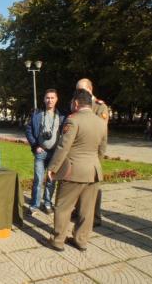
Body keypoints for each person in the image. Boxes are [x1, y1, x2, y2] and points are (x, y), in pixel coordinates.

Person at [46, 89, 107, 252]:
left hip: (72, 171)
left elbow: (63, 147)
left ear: (77, 103)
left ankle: (58, 240)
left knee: (63, 207)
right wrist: (94, 165)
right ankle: (81, 240)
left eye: (72, 102)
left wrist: (52, 168)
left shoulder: (72, 120)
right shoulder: (101, 122)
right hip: (93, 171)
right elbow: (102, 149)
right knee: (87, 209)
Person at [75, 78, 108, 226]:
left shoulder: (100, 107)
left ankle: (95, 217)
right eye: (77, 90)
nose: (78, 92)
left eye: (81, 89)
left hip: (93, 153)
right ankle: (78, 212)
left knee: (94, 188)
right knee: (77, 184)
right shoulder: (76, 103)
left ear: (90, 89)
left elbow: (102, 134)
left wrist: (99, 158)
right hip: (78, 153)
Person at [25, 89, 65, 215]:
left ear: (56, 99)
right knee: (38, 179)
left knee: (51, 180)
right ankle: (34, 205)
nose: (50, 100)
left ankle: (47, 203)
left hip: (55, 153)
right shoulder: (37, 115)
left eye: (52, 97)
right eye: (47, 97)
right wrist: (35, 145)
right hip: (40, 153)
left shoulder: (61, 116)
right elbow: (28, 129)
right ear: (44, 99)